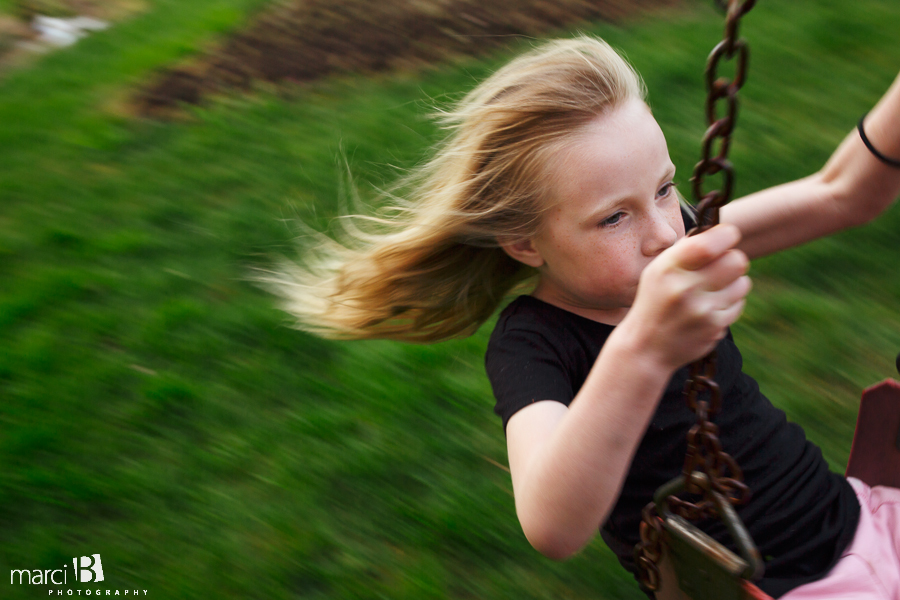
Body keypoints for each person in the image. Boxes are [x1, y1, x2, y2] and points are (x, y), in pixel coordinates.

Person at [264, 37, 900, 599]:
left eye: (663, 188)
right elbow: (552, 525)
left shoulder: (682, 247)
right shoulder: (534, 344)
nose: (663, 235)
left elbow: (844, 194)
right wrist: (645, 347)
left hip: (866, 521)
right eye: (613, 217)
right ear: (526, 243)